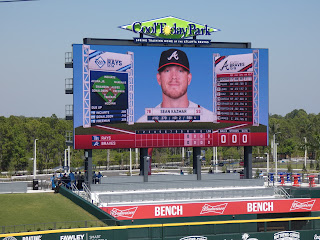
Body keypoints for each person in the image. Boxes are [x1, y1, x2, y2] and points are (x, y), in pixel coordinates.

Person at [137, 48, 215, 123]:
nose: (174, 77)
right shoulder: (143, 122)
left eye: (180, 71)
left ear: (189, 78)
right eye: (167, 71)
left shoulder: (210, 119)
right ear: (159, 78)